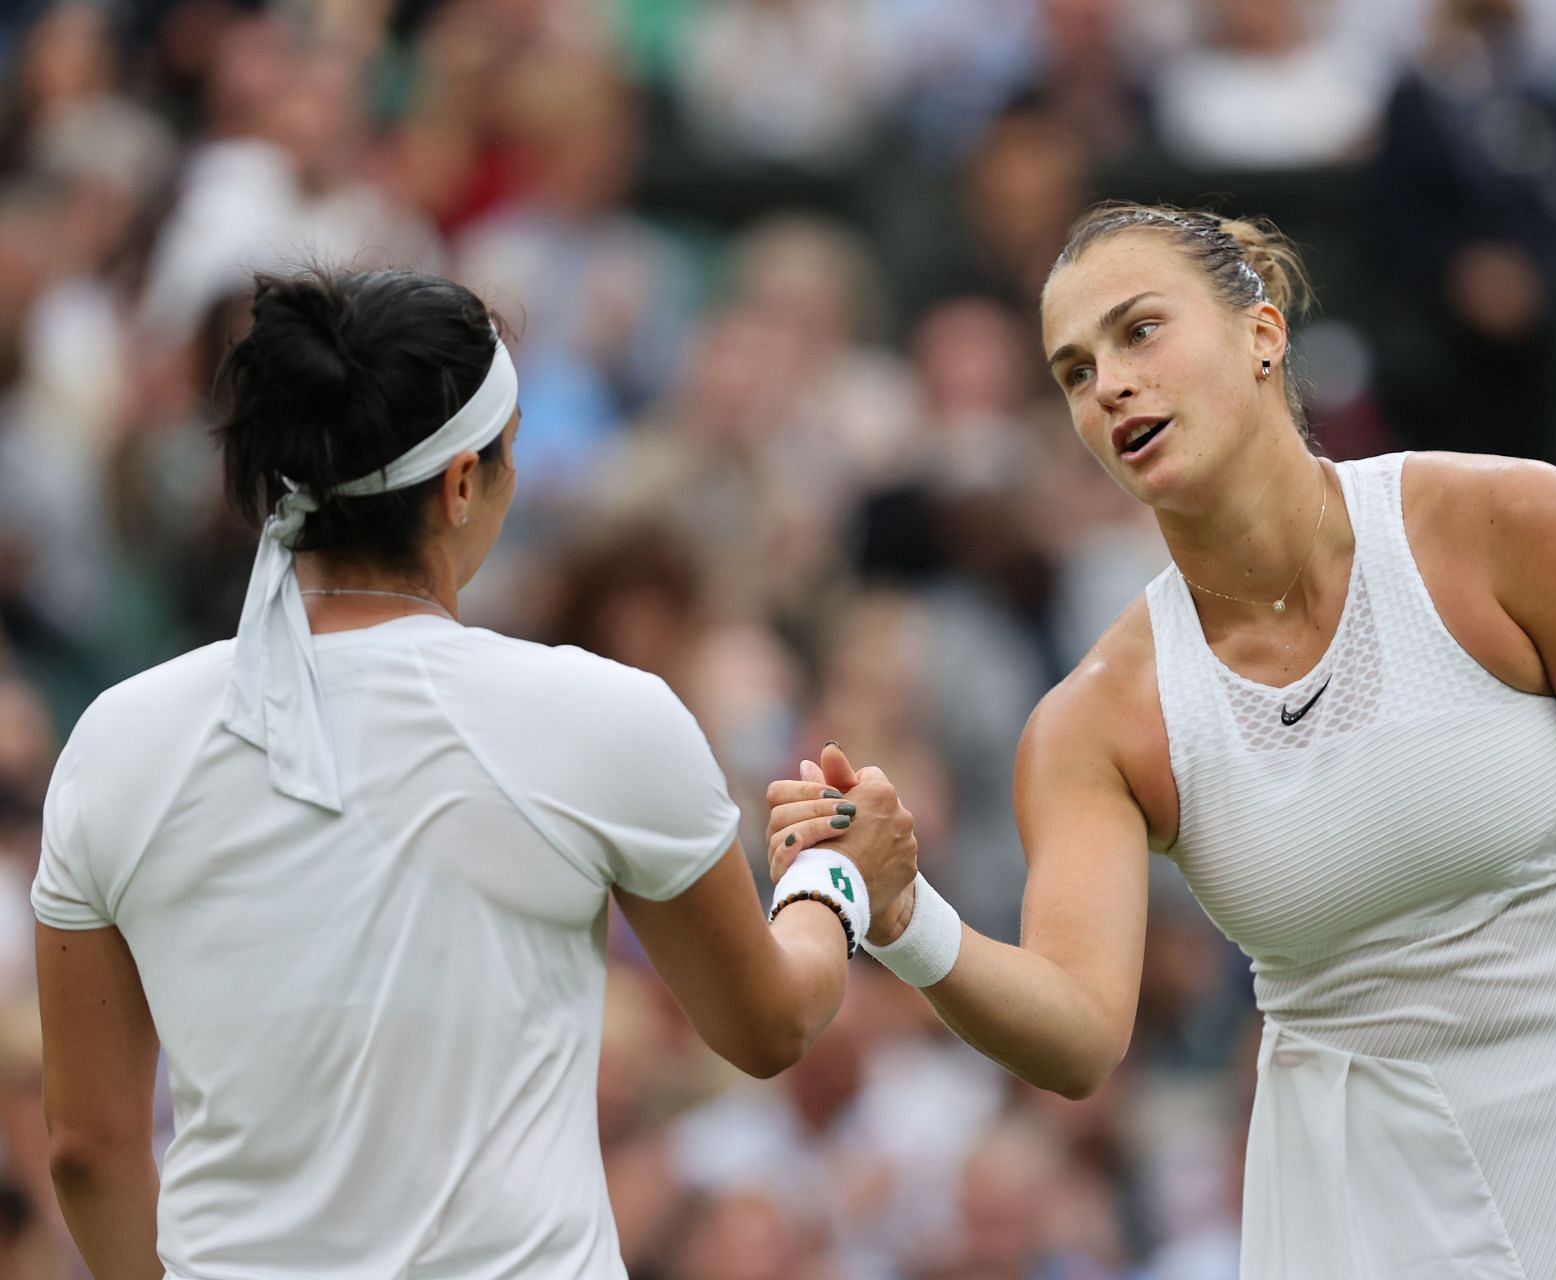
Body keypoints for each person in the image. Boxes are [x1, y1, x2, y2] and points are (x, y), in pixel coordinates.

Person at [769, 205, 1556, 1277]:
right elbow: (1078, 1036)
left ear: (1262, 331)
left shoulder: (1513, 526)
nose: (1110, 382)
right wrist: (910, 917)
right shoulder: (1094, 719)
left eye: (1140, 330)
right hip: (1365, 1222)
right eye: (1075, 370)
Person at [30, 267, 916, 1279]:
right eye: (509, 451)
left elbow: (88, 1151)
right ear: (460, 483)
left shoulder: (115, 738)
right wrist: (831, 878)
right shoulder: (603, 717)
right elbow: (769, 1022)